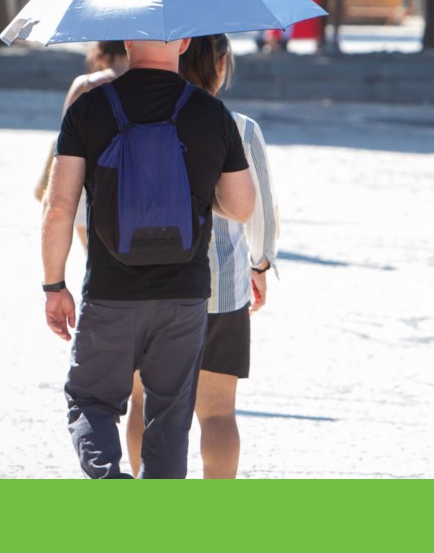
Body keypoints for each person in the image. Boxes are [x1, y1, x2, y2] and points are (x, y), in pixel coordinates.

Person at [41, 38, 256, 479]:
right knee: (170, 419)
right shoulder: (211, 113)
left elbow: (59, 206)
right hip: (185, 295)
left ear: (125, 40)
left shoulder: (89, 107)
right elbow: (241, 206)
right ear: (183, 42)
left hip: (110, 291)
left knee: (90, 401)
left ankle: (109, 483)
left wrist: (54, 285)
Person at [124, 34, 281, 479]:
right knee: (216, 413)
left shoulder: (141, 121)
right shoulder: (242, 126)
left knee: (143, 403)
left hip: (147, 286)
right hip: (221, 289)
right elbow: (263, 210)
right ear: (221, 62)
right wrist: (261, 264)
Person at [35, 41, 129, 250]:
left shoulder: (85, 84)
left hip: (84, 178)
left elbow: (66, 135)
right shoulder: (144, 85)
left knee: (92, 256)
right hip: (127, 179)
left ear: (101, 53)